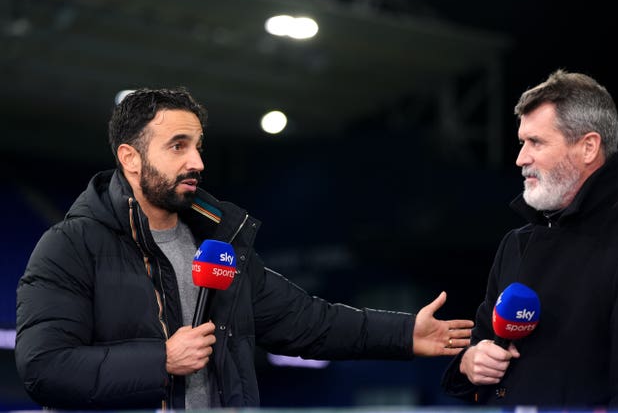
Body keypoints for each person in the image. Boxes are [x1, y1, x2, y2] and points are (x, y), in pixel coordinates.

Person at [15, 87, 474, 410]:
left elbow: (308, 322)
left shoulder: (219, 243)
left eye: (197, 145)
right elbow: (43, 368)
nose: (197, 161)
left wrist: (403, 334)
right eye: (178, 146)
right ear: (130, 158)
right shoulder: (69, 246)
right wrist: (161, 360)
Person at [441, 69, 618, 407]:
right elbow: (480, 358)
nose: (521, 159)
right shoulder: (514, 245)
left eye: (536, 142)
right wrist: (470, 363)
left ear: (589, 147)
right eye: (522, 142)